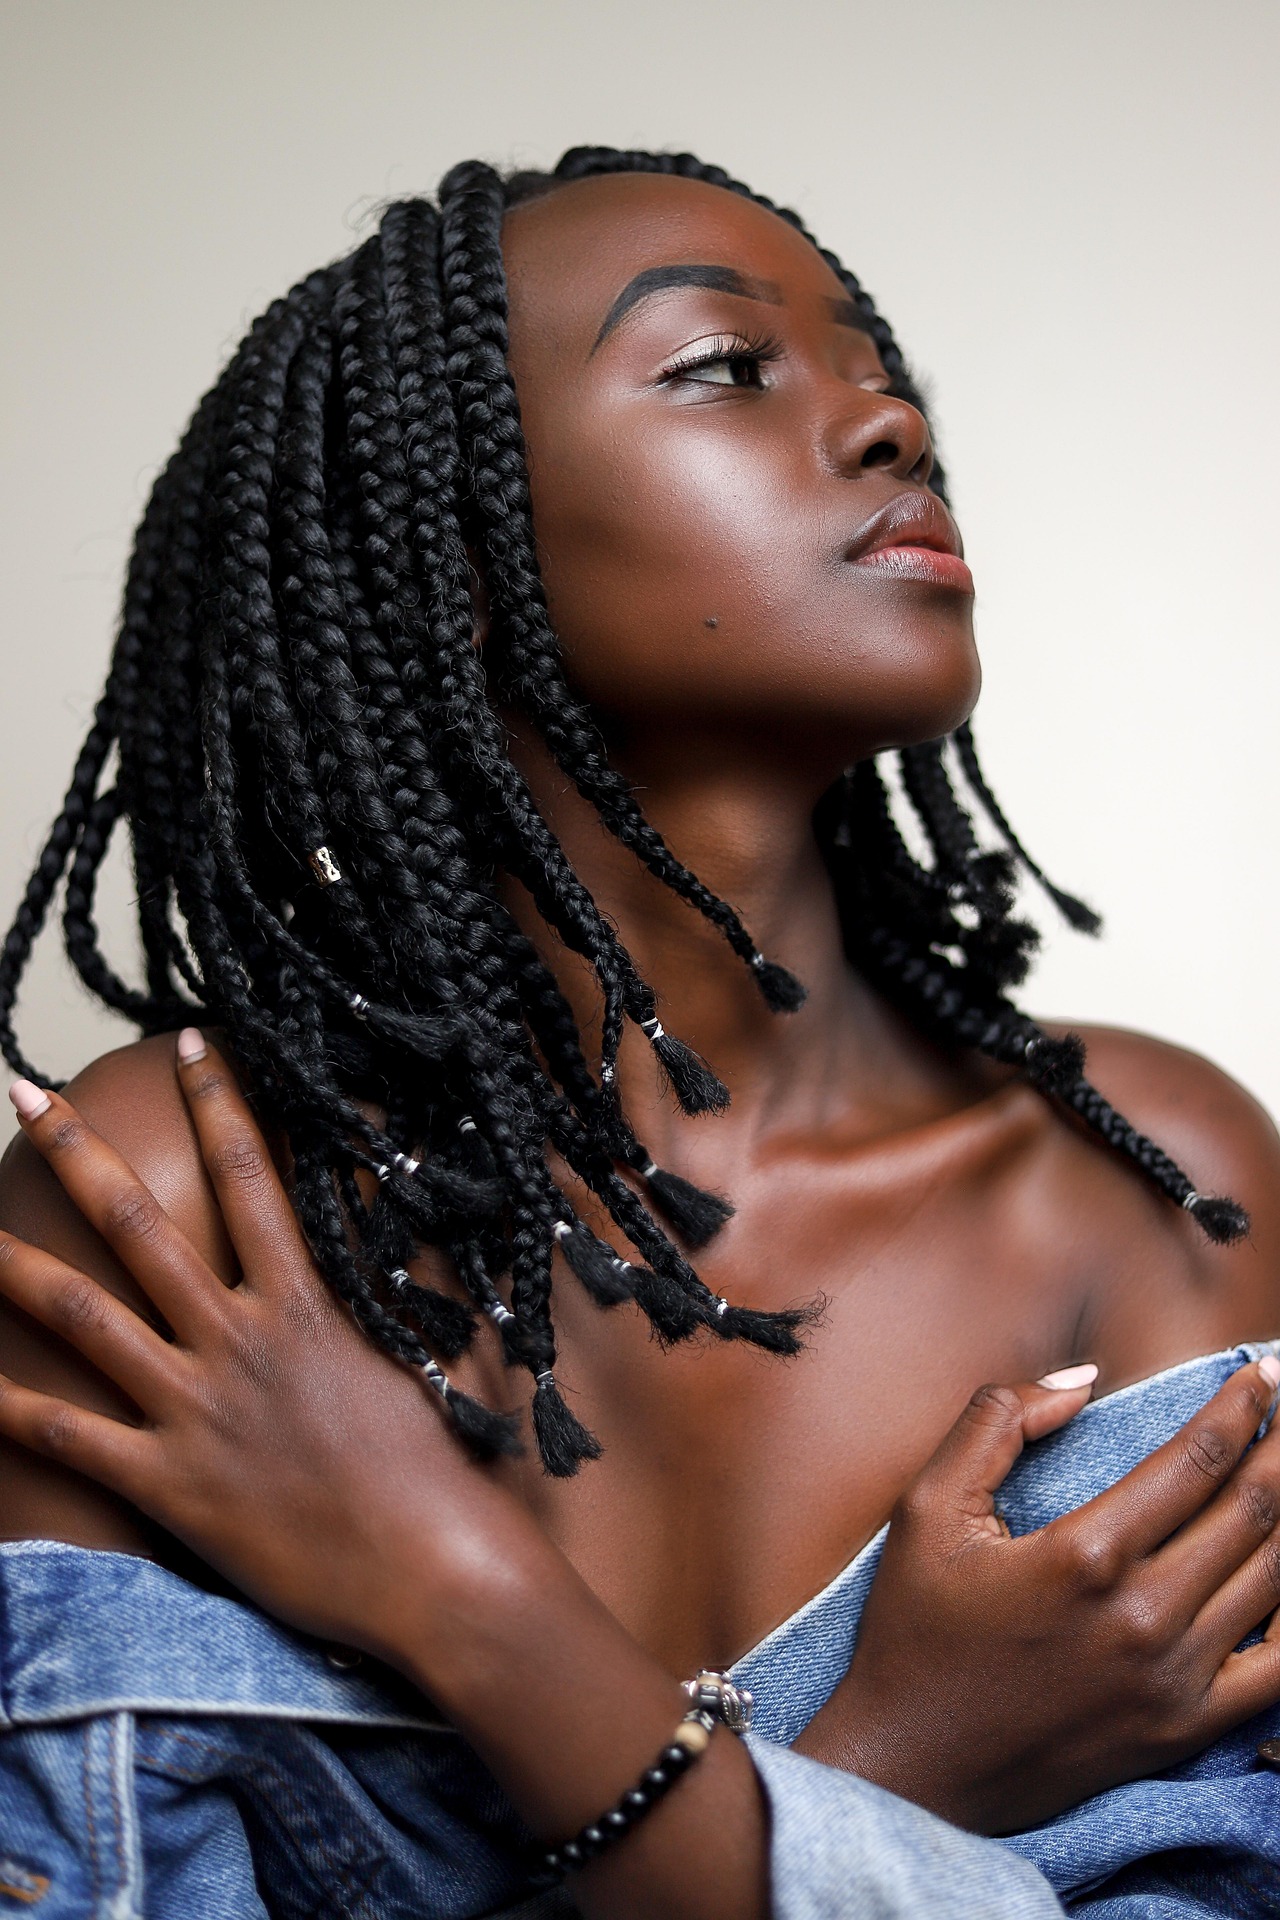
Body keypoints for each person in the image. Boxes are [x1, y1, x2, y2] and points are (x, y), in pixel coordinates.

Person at [0, 146, 1277, 1918]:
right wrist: (902, 1774)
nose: (890, 420)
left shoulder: (1146, 1186)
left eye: (873, 363)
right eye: (722, 368)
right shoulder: (182, 1204)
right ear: (447, 545)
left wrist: (454, 1588)